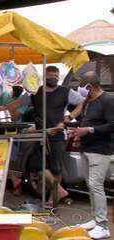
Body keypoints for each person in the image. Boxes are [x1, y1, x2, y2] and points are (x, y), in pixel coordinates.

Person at [0, 66, 85, 205]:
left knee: (56, 167)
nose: (54, 78)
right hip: (40, 134)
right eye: (51, 76)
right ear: (44, 76)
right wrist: (3, 109)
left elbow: (82, 102)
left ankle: (53, 199)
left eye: (56, 76)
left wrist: (68, 118)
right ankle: (60, 191)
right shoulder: (34, 92)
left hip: (58, 133)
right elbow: (18, 103)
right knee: (35, 165)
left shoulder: (66, 92)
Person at [72, 71, 114, 239]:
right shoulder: (88, 101)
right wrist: (78, 133)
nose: (80, 90)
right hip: (86, 148)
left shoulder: (108, 100)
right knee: (90, 185)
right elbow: (86, 121)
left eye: (82, 86)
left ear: (90, 86)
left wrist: (89, 130)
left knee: (96, 185)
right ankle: (95, 220)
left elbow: (112, 125)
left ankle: (103, 226)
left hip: (100, 150)